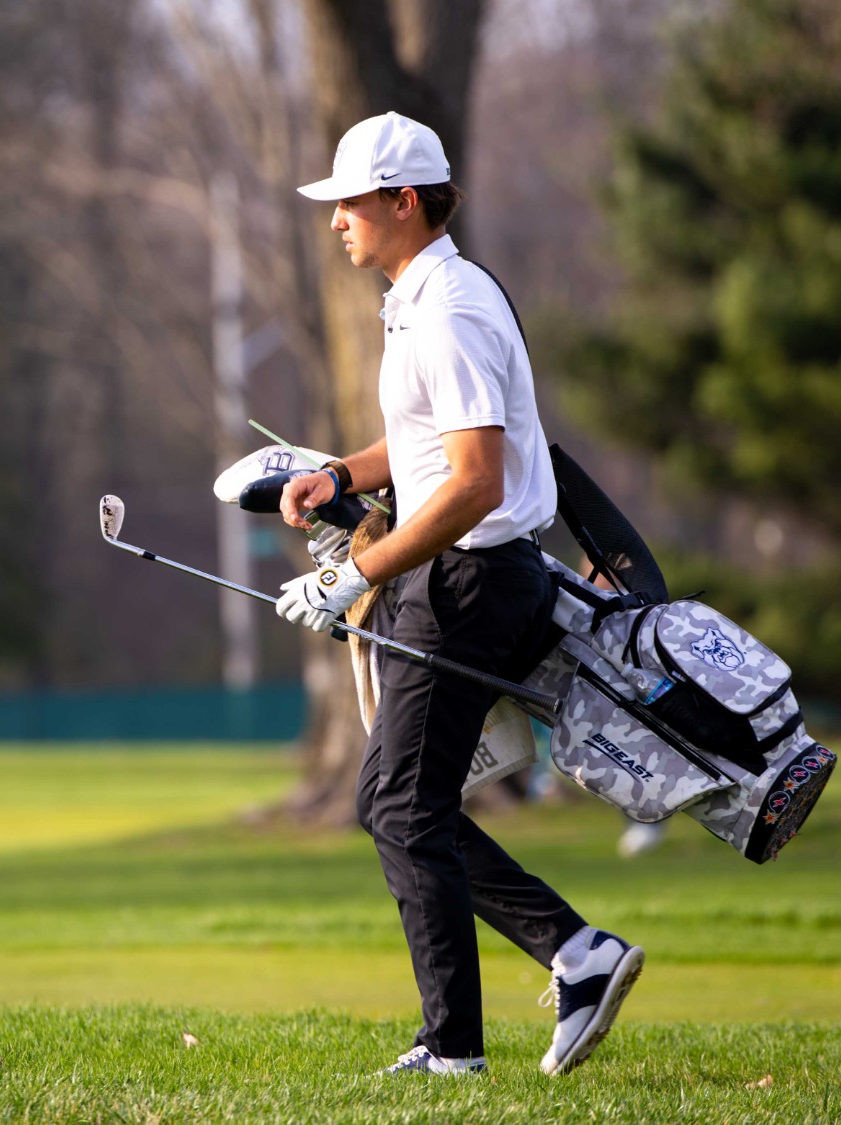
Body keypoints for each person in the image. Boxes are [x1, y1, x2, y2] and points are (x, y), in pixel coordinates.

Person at [275, 111, 643, 1077]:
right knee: (394, 802)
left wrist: (359, 568)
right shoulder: (424, 297)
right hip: (458, 576)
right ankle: (576, 953)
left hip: (470, 580)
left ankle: (456, 1048)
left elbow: (477, 480)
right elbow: (429, 440)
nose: (337, 221)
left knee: (402, 809)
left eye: (351, 202)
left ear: (404, 201)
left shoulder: (450, 311)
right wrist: (341, 475)